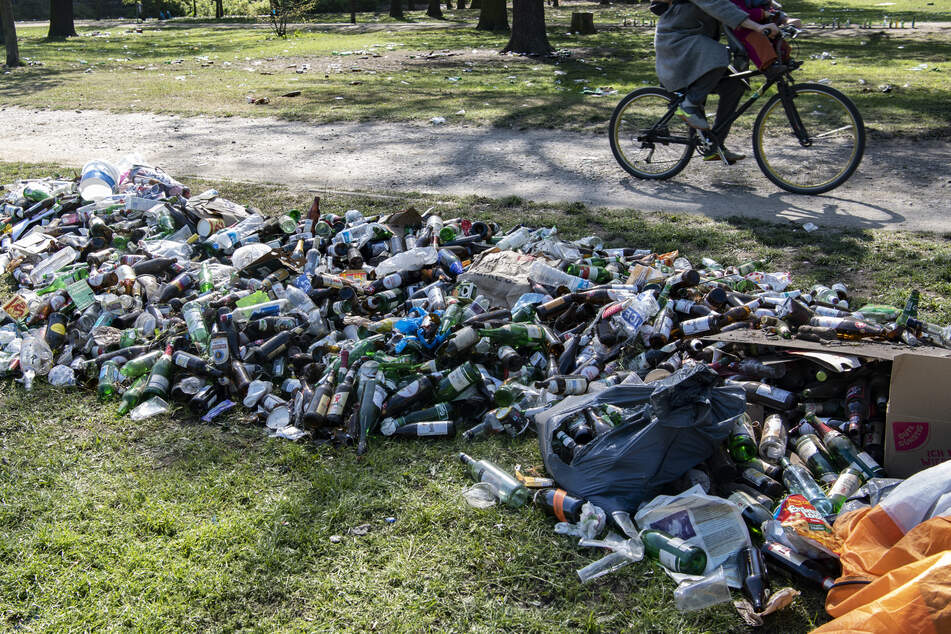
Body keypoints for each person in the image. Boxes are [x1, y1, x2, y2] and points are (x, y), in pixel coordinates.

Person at [652, 0, 781, 164]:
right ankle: (688, 106)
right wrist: (757, 27)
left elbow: (741, 5)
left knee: (736, 85)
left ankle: (714, 145)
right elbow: (720, 7)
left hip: (696, 47)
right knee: (719, 55)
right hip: (677, 43)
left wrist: (777, 16)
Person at [728, 0, 799, 79]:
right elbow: (737, 14)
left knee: (778, 39)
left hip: (764, 26)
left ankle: (786, 60)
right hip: (745, 30)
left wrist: (786, 20)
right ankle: (769, 66)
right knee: (758, 41)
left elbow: (771, 9)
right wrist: (763, 13)